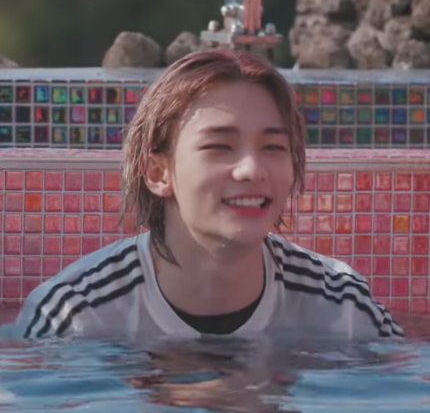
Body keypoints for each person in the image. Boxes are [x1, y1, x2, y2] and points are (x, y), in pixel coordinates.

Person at [8, 50, 403, 342]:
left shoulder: (340, 306)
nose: (252, 170)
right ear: (158, 172)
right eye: (219, 146)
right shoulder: (75, 316)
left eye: (273, 147)